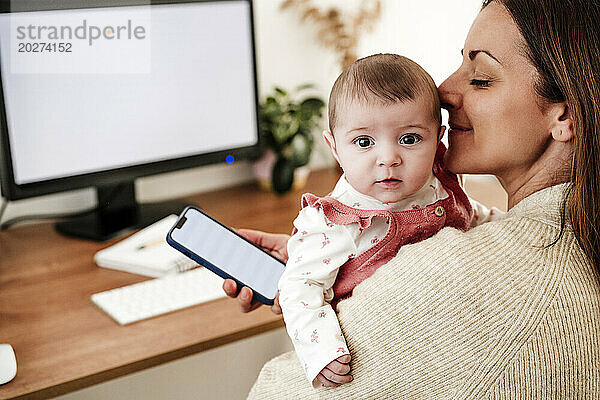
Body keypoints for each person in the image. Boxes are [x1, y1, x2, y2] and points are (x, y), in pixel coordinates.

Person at [224, 0, 600, 397]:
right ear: (334, 146)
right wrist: (335, 254)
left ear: (563, 116)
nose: (443, 91)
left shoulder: (488, 282)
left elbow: (275, 392)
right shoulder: (566, 232)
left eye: (481, 77)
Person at [278, 53, 498, 388]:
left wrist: (507, 226)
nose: (389, 158)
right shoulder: (334, 222)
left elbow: (472, 216)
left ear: (437, 137)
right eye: (364, 142)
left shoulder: (437, 186)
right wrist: (322, 351)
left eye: (410, 139)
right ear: (334, 147)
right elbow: (299, 286)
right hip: (378, 355)